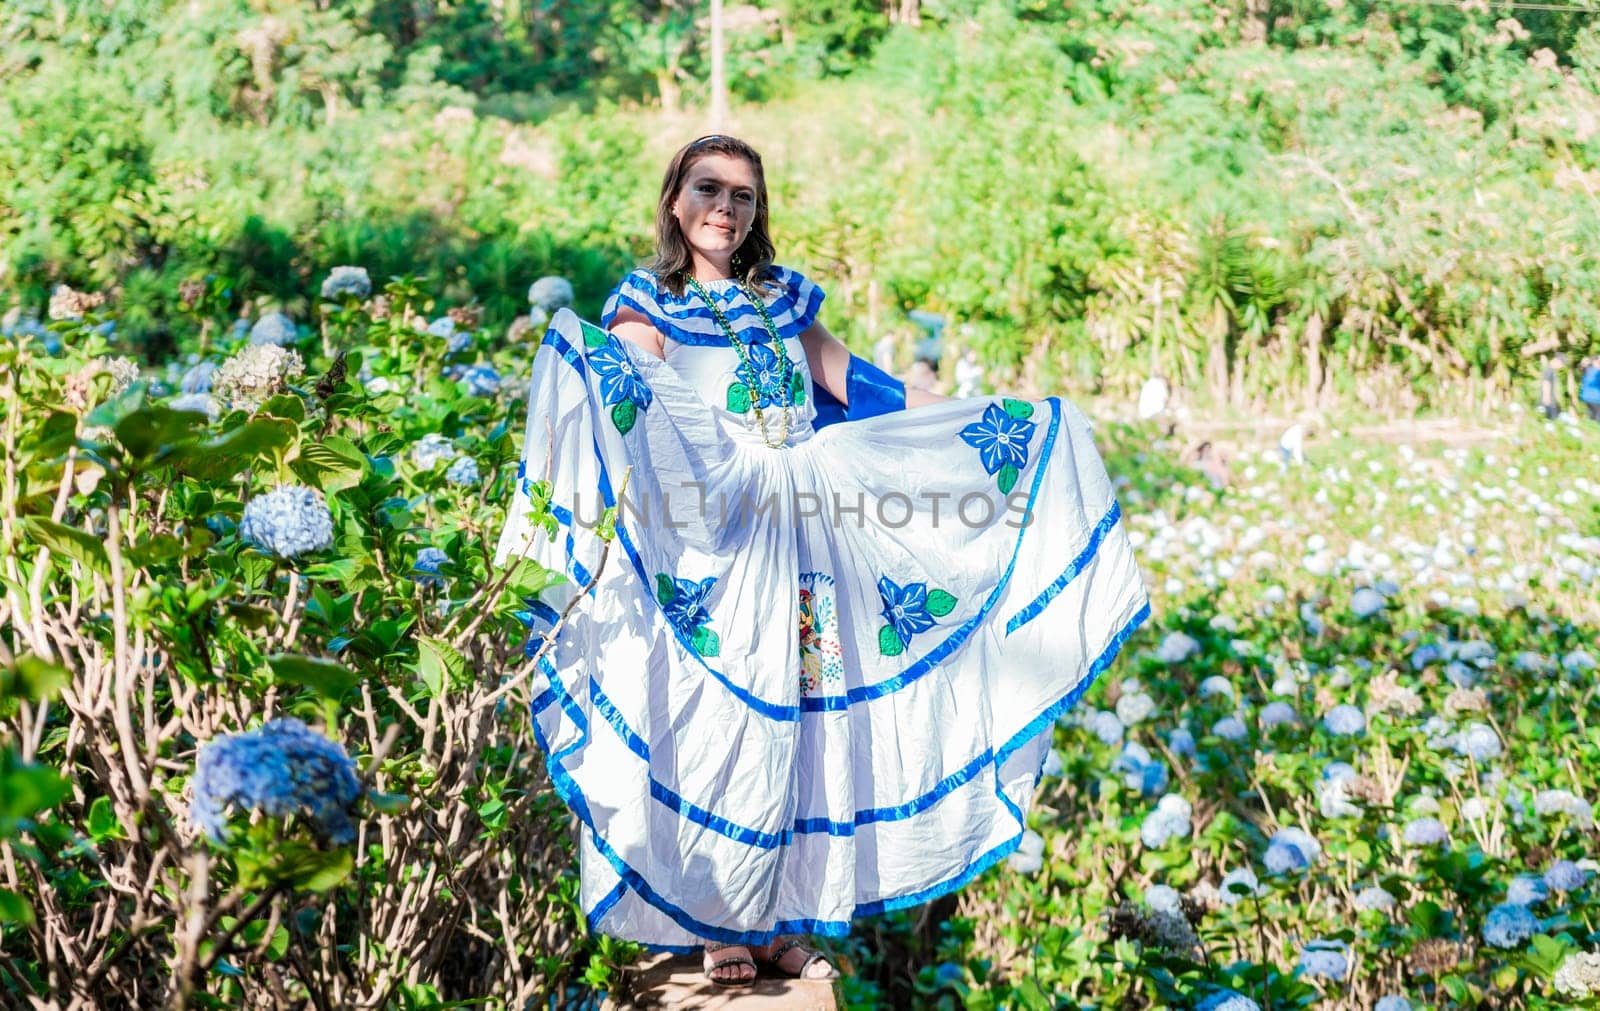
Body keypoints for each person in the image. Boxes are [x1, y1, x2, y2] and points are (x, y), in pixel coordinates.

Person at [495, 135, 1148, 987]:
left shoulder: (782, 299)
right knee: (718, 723)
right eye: (709, 189)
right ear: (674, 202)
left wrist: (990, 417)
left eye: (744, 196)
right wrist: (621, 366)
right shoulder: (646, 302)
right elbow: (639, 397)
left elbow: (861, 389)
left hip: (807, 534)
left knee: (805, 721)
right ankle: (714, 917)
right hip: (718, 543)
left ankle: (775, 921)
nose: (727, 208)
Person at [1581, 355, 1600, 423]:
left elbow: (1582, 365)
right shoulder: (1596, 372)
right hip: (1595, 398)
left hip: (1587, 397)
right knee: (1597, 419)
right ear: (1594, 362)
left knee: (1591, 417)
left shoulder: (1587, 370)